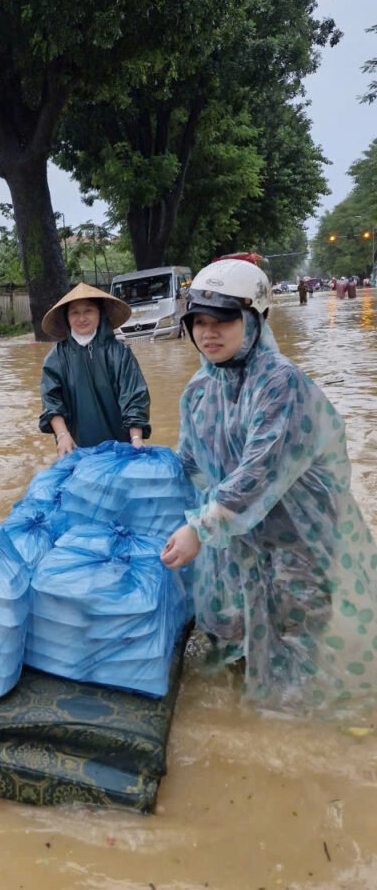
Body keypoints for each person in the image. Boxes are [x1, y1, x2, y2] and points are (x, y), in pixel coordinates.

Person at [160, 259, 377, 716]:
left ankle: (308, 741)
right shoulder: (199, 389)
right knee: (235, 631)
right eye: (198, 322)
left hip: (296, 536)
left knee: (296, 642)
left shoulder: (281, 382)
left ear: (254, 319)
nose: (208, 333)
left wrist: (199, 528)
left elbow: (259, 468)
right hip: (237, 538)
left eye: (222, 320)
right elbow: (188, 462)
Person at [39, 283, 151, 458]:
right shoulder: (56, 357)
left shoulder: (119, 352)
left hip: (120, 446)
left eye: (88, 311)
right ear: (67, 318)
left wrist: (136, 438)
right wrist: (62, 435)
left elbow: (134, 396)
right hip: (75, 447)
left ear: (100, 313)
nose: (81, 318)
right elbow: (51, 402)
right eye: (74, 312)